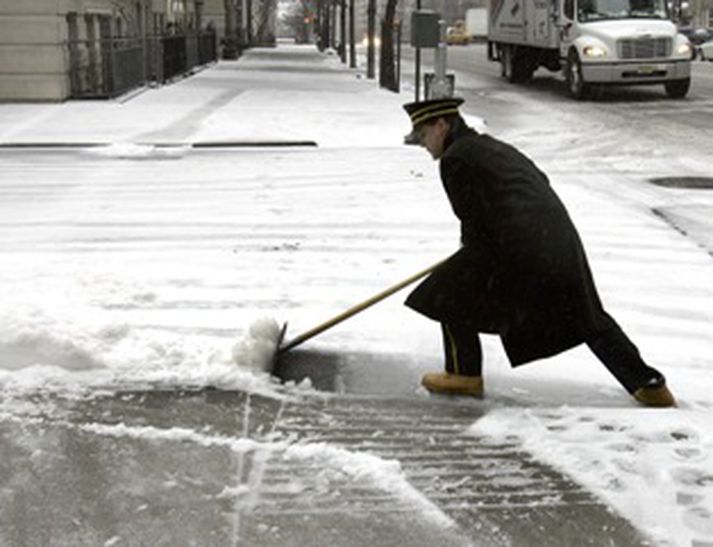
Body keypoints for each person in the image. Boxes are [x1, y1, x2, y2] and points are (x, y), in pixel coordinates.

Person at [402, 97, 676, 407]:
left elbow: (472, 219)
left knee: (446, 291)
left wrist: (467, 255)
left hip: (521, 245)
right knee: (587, 316)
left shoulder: (456, 158)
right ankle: (649, 385)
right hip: (557, 240)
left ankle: (463, 374)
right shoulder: (491, 146)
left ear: (441, 125)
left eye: (423, 136)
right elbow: (535, 183)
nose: (424, 146)